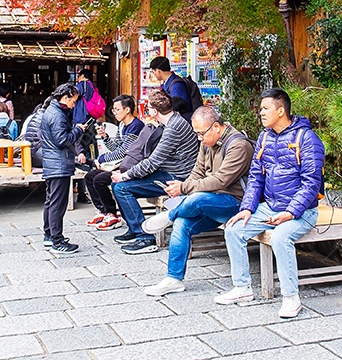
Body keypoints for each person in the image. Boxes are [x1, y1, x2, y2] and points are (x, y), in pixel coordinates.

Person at [217, 88, 324, 319]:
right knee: (233, 229)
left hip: (302, 211)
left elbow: (311, 183)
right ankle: (243, 288)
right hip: (271, 207)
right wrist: (247, 208)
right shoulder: (264, 137)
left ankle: (291, 298)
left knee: (280, 237)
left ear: (281, 110)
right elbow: (256, 177)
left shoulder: (307, 139)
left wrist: (290, 212)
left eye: (265, 109)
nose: (261, 113)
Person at [141, 106, 254, 296]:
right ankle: (174, 278)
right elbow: (198, 172)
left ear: (216, 127)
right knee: (182, 223)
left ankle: (169, 215)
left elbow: (221, 180)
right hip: (211, 199)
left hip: (236, 203)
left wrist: (184, 188)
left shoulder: (239, 145)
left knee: (197, 199)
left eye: (202, 134)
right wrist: (182, 187)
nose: (199, 139)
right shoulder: (207, 142)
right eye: (197, 134)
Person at [110, 89, 198, 254]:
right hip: (168, 171)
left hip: (176, 177)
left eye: (148, 108)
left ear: (155, 111)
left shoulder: (173, 128)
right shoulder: (171, 122)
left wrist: (125, 175)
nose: (147, 111)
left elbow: (152, 162)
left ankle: (145, 237)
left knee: (122, 187)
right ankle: (135, 228)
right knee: (117, 185)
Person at [83, 94, 145, 231]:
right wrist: (105, 137)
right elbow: (116, 147)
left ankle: (112, 214)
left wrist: (101, 159)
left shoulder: (136, 126)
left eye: (117, 109)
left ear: (127, 110)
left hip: (130, 166)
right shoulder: (122, 125)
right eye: (114, 110)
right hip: (120, 164)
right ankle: (104, 211)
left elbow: (123, 152)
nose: (114, 112)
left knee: (99, 180)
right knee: (89, 177)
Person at [40, 83, 88, 253]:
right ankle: (57, 240)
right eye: (73, 101)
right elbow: (62, 140)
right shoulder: (57, 115)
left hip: (52, 163)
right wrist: (78, 129)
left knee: (51, 201)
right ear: (65, 97)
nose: (74, 105)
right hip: (58, 164)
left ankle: (49, 235)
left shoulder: (52, 110)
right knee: (58, 204)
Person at [73, 69, 101, 164]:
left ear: (83, 76)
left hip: (81, 116)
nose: (77, 78)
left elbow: (74, 95)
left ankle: (82, 161)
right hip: (91, 117)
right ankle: (93, 161)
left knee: (79, 141)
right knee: (90, 141)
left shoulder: (82, 85)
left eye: (79, 76)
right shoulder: (92, 86)